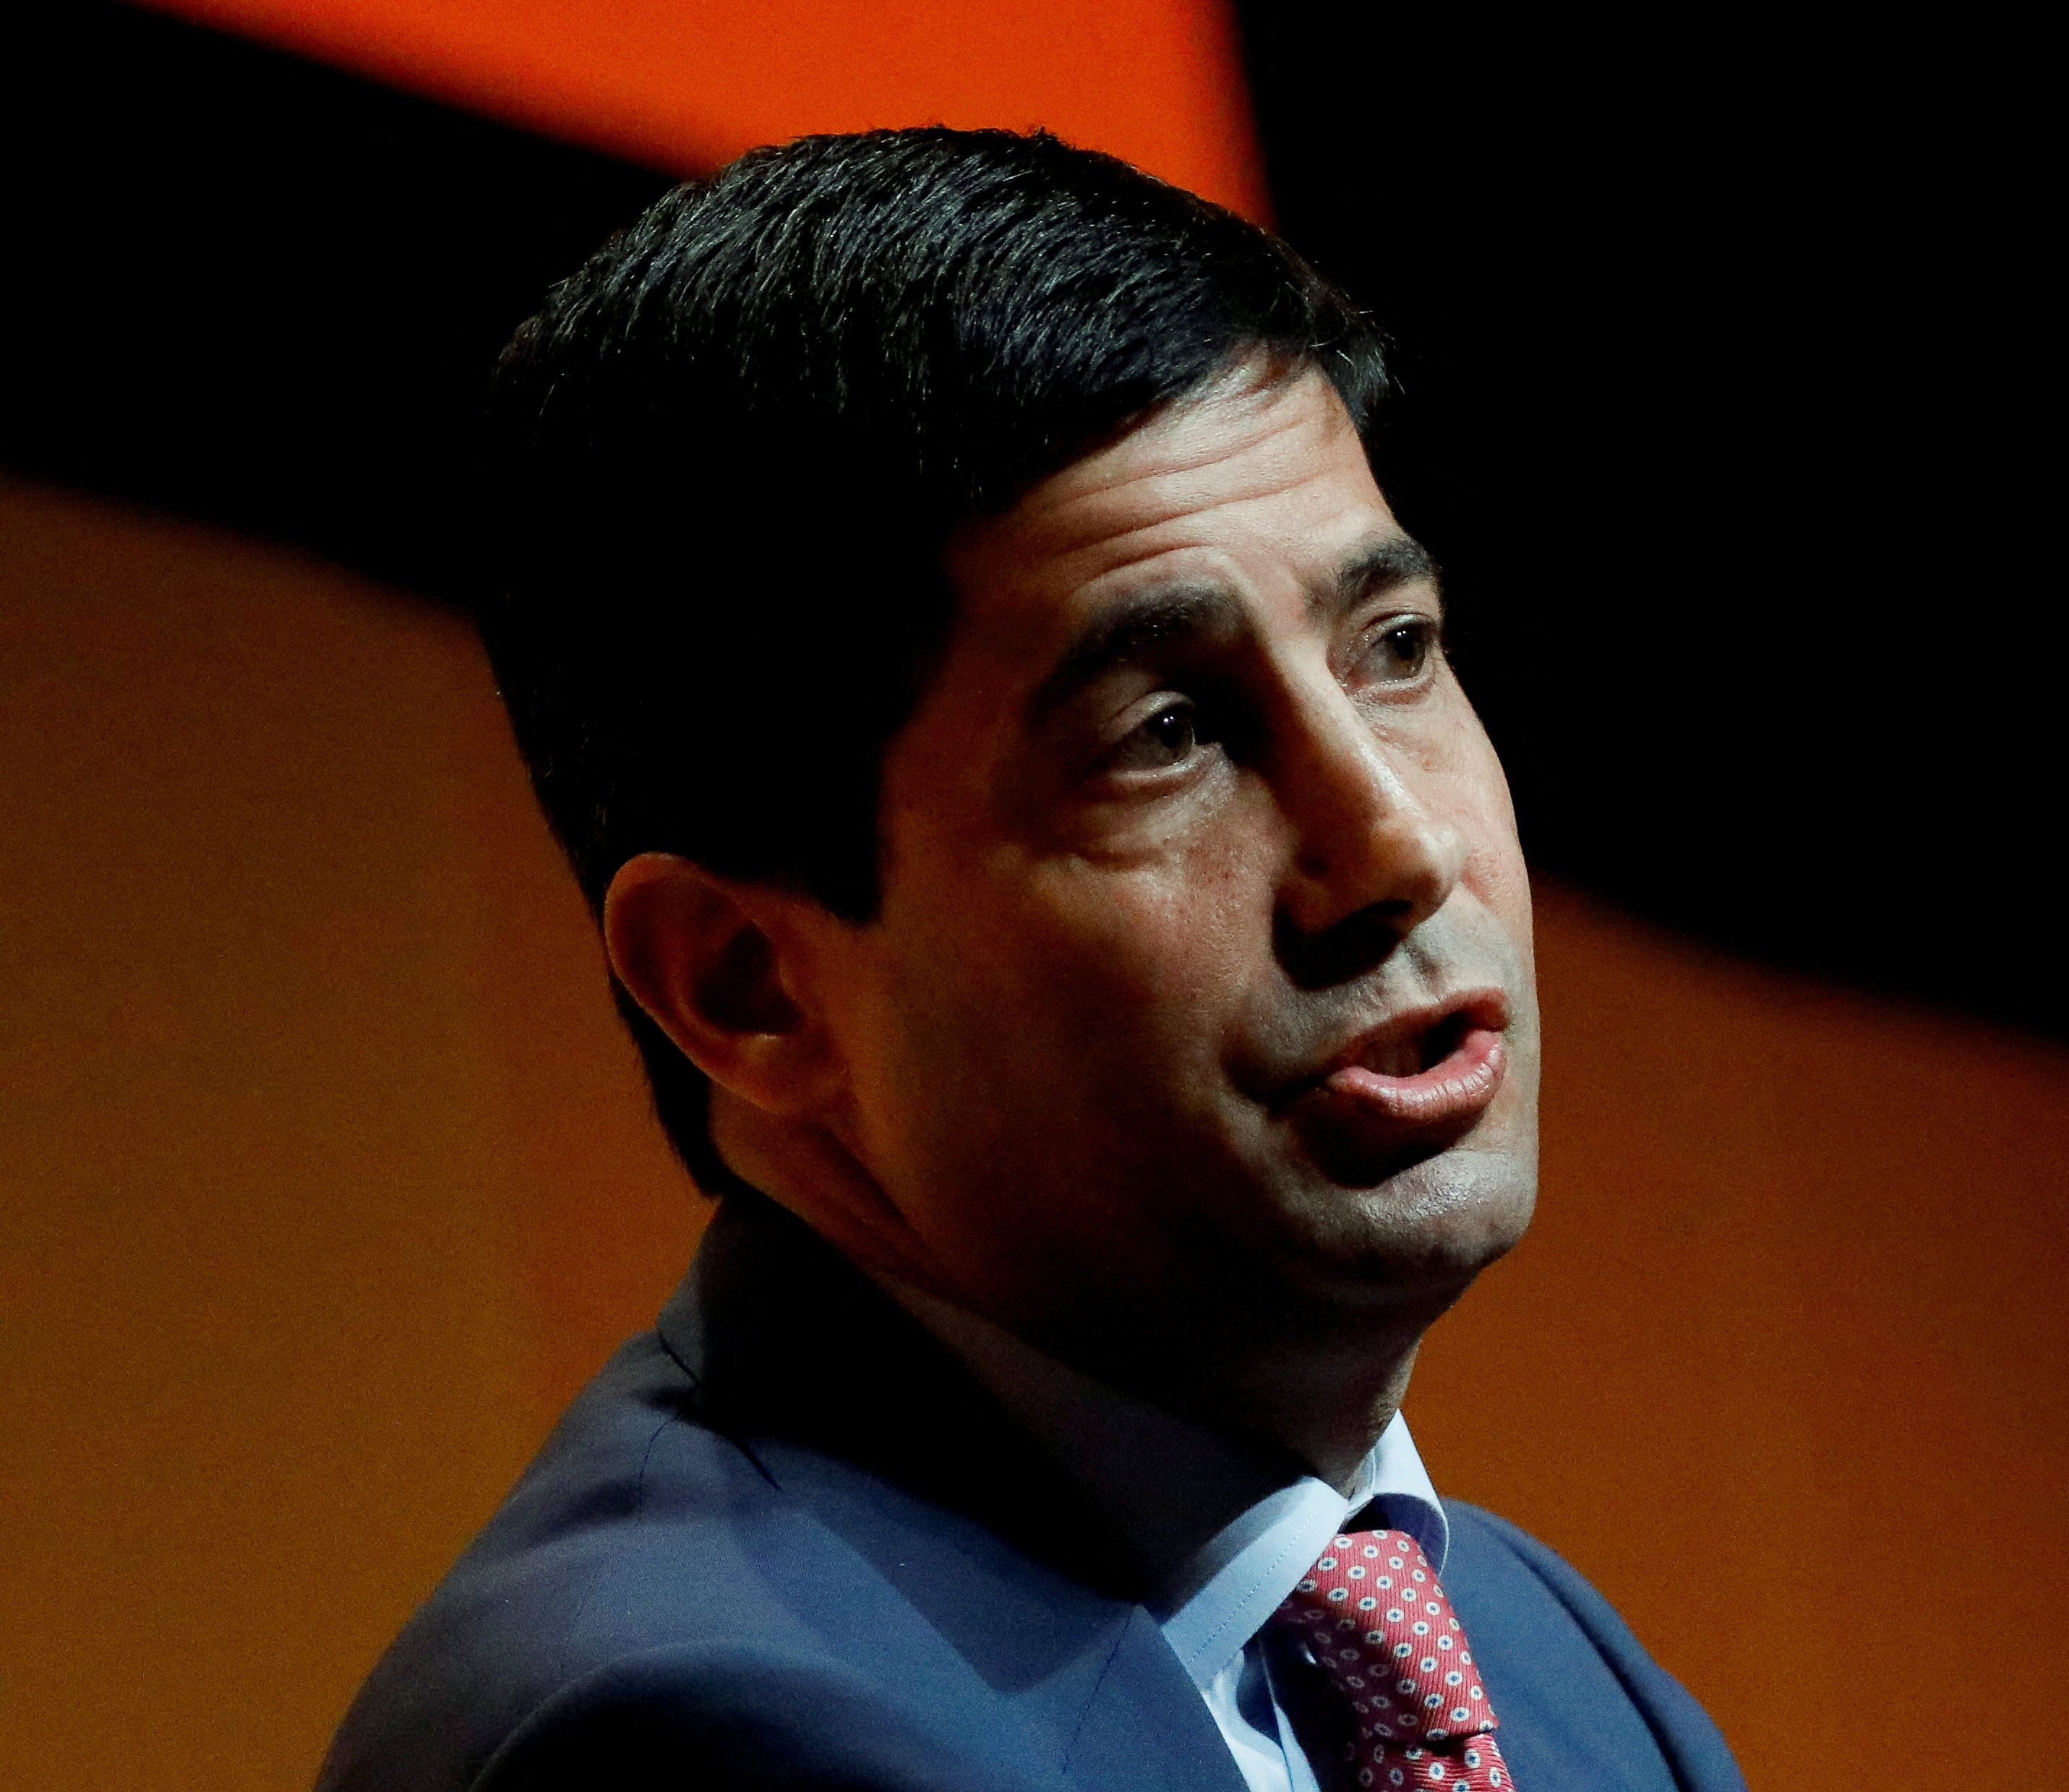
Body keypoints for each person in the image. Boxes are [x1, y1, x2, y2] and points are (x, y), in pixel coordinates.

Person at [318, 127, 1742, 1792]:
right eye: (1166, 735)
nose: (1398, 848)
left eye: (1397, 649)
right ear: (746, 984)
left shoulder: (1555, 1672)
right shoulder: (687, 1733)